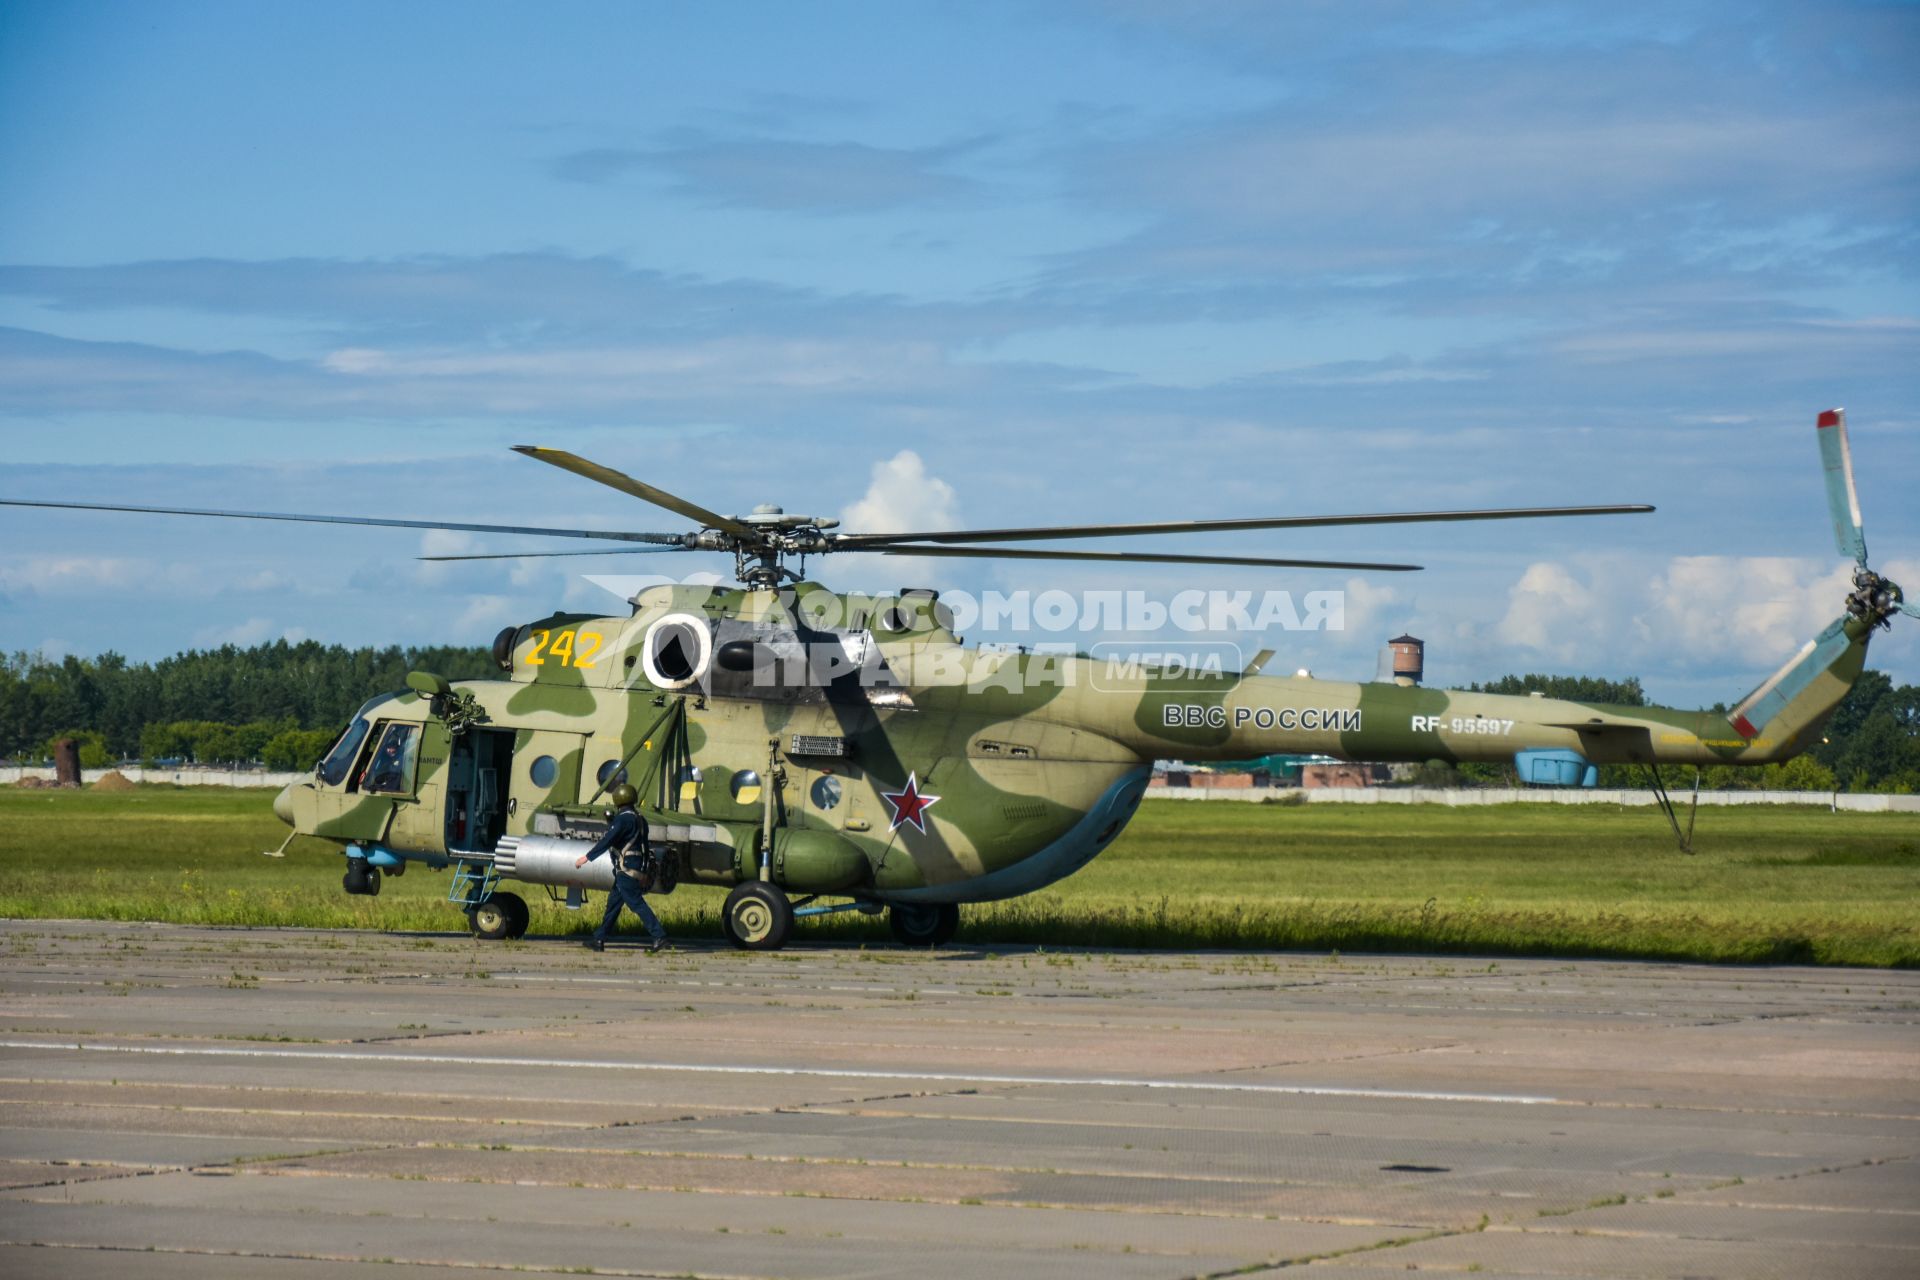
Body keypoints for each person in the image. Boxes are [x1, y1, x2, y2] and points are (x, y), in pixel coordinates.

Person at [574, 783, 668, 953]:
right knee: (613, 904)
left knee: (636, 903)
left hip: (626, 867)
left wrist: (587, 857)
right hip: (635, 866)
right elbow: (646, 846)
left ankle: (659, 936)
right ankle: (599, 939)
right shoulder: (640, 820)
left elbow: (607, 840)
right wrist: (645, 870)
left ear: (617, 799)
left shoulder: (623, 819)